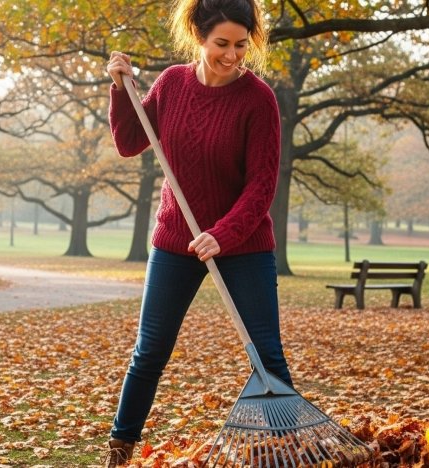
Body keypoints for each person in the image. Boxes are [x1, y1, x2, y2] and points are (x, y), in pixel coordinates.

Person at [102, 0, 292, 465]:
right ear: (198, 36)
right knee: (149, 352)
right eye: (221, 43)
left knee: (267, 355)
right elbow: (130, 141)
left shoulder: (258, 99)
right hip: (176, 239)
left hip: (244, 245)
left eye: (241, 45)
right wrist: (121, 90)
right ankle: (120, 449)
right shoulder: (172, 84)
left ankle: (289, 445)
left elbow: (261, 186)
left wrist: (222, 234)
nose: (232, 55)